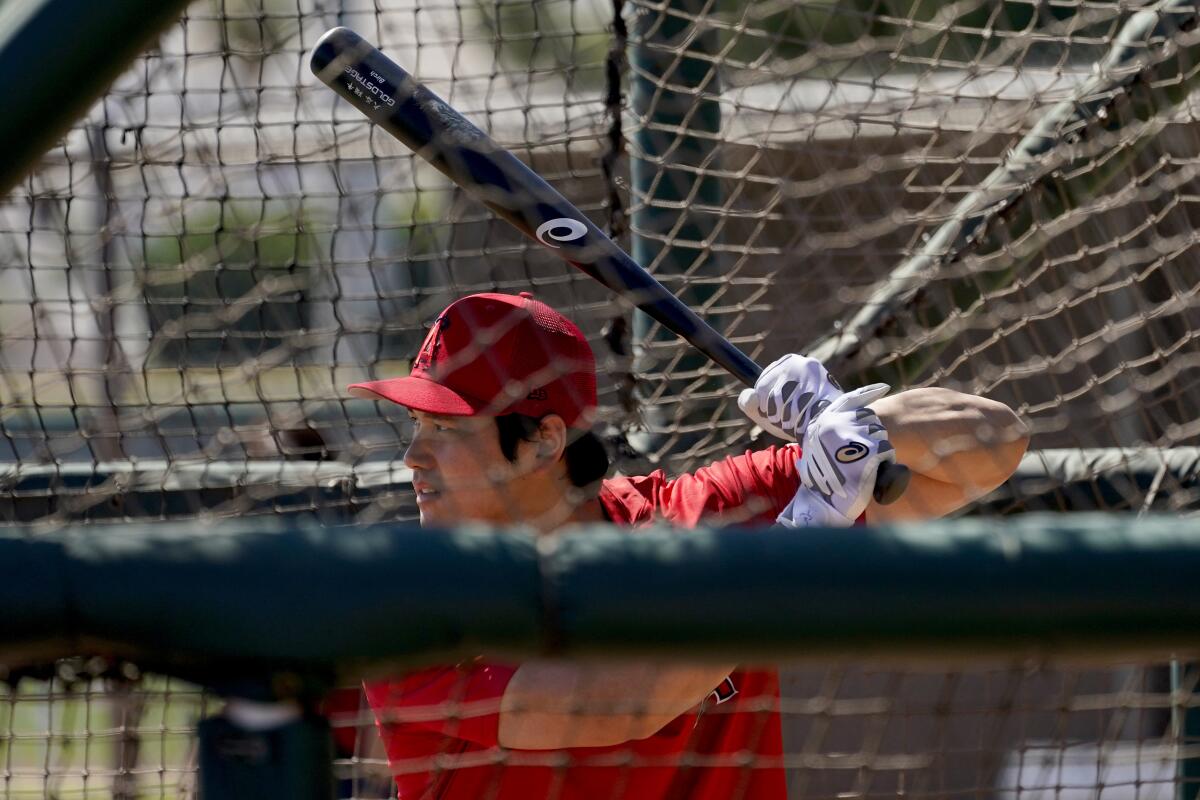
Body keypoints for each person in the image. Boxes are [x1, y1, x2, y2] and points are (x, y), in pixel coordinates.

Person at [346, 291, 1029, 800]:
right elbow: (620, 702)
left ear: (545, 442)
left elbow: (995, 442)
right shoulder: (407, 614)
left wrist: (852, 424)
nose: (413, 458)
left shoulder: (696, 516)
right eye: (416, 424)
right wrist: (794, 548)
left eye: (446, 430)